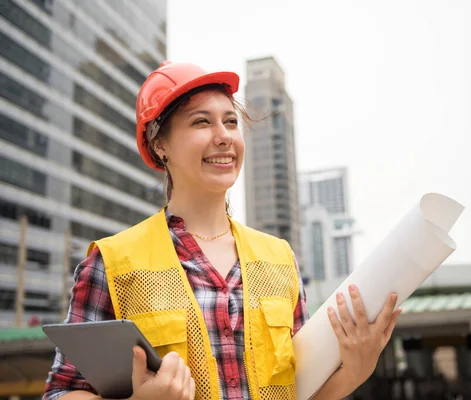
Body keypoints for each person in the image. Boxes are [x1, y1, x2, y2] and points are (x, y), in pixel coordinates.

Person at [43, 61, 402, 400]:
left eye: (230, 122)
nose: (223, 136)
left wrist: (355, 369)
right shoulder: (111, 264)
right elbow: (61, 391)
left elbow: (301, 390)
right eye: (201, 122)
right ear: (160, 145)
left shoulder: (279, 259)